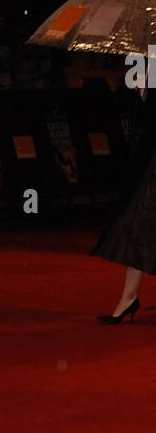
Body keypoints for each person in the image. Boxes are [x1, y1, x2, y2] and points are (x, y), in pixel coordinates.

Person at [93, 81, 156, 322]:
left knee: (141, 218)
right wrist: (144, 92)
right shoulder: (149, 56)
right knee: (140, 221)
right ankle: (128, 299)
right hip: (151, 158)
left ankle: (128, 299)